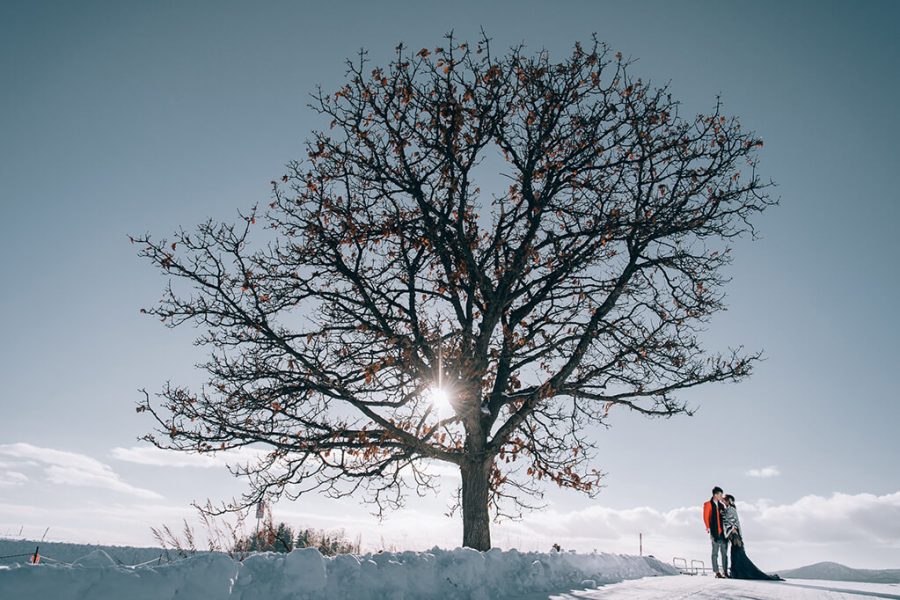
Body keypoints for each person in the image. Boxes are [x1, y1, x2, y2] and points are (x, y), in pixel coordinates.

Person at [722, 494, 783, 581]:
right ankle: (738, 573)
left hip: (735, 534)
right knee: (736, 554)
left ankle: (739, 573)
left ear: (728, 501)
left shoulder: (731, 509)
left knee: (736, 554)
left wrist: (733, 529)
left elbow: (733, 521)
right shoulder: (728, 509)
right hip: (733, 534)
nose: (723, 501)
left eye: (724, 499)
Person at [702, 486, 728, 578]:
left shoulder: (722, 505)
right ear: (715, 495)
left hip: (723, 532)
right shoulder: (708, 504)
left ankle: (725, 571)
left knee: (724, 553)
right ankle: (717, 572)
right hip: (714, 531)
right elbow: (706, 517)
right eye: (720, 494)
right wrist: (708, 527)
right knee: (715, 552)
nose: (721, 496)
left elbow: (725, 518)